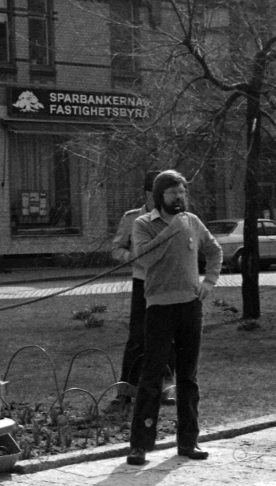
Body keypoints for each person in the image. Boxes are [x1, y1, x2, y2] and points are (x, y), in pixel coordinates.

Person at [126, 170, 223, 466]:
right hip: (158, 308)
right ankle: (140, 446)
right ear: (160, 196)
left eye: (182, 192)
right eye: (172, 193)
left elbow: (214, 250)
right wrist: (171, 232)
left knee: (188, 377)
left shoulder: (192, 221)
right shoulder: (143, 224)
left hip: (190, 307)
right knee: (152, 375)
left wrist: (209, 282)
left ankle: (188, 441)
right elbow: (144, 259)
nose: (179, 198)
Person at [109, 170, 176, 411]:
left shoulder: (172, 217)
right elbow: (116, 249)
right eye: (155, 192)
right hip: (143, 283)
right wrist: (132, 257)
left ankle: (166, 387)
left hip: (168, 283)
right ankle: (126, 391)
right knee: (137, 337)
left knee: (168, 336)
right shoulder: (132, 218)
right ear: (147, 193)